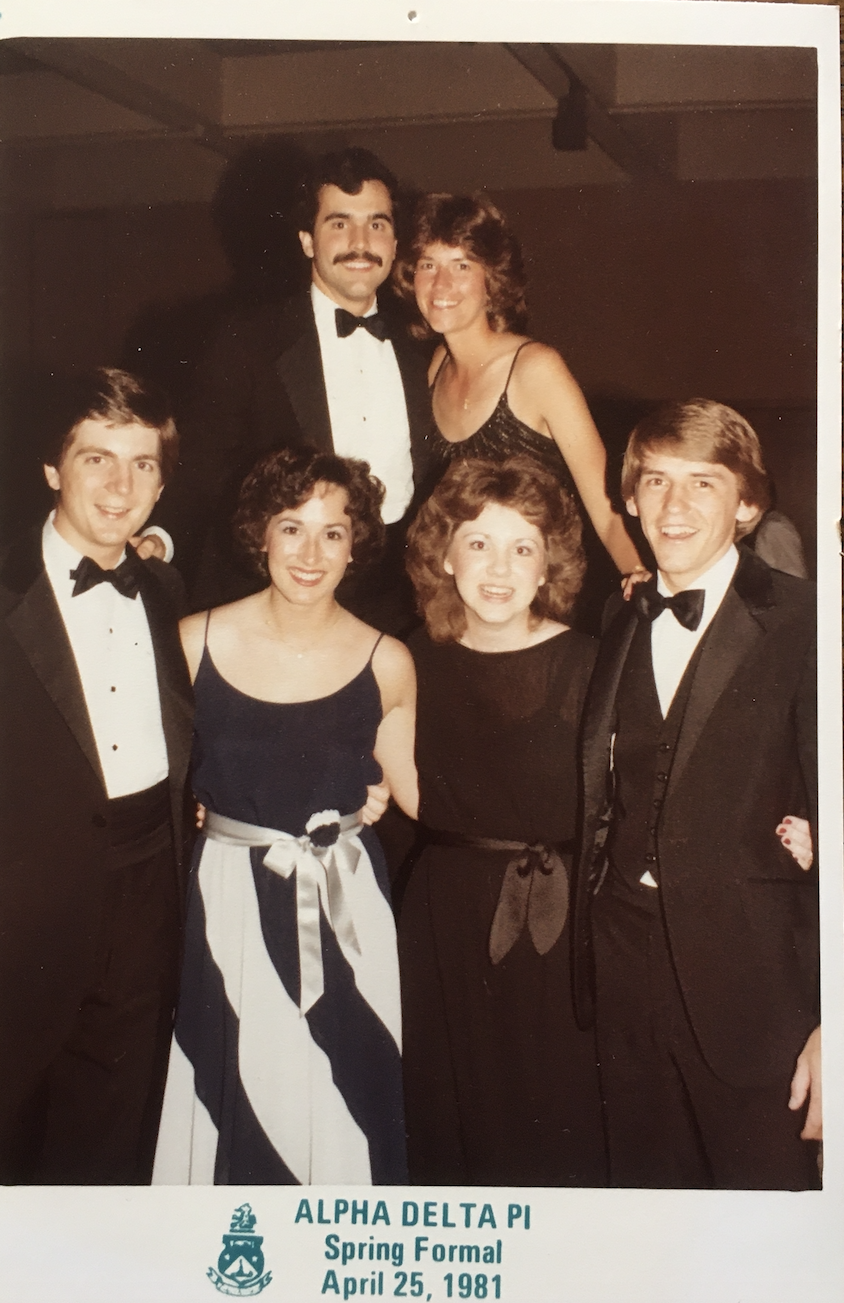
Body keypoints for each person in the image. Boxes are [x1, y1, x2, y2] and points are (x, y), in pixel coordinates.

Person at [151, 446, 418, 1185]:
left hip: (346, 905)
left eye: (333, 533)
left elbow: (421, 794)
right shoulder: (195, 640)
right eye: (291, 528)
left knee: (346, 1103)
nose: (310, 553)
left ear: (355, 545)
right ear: (260, 534)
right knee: (232, 1095)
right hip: (227, 903)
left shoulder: (388, 659)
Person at [573, 398, 820, 1191]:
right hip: (623, 965)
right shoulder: (619, 614)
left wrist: (834, 1022)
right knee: (650, 1219)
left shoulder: (808, 623)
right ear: (630, 498)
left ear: (746, 505)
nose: (674, 505)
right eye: (655, 480)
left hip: (759, 992)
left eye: (703, 483)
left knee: (766, 1219)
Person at [0, 368, 194, 1185]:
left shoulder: (164, 588)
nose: (120, 486)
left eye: (142, 465)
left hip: (146, 895)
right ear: (51, 468)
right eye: (96, 459)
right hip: (18, 920)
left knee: (107, 1149)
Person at [397, 455, 607, 1187]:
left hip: (562, 917)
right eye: (478, 542)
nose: (498, 567)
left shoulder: (594, 663)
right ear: (444, 555)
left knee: (557, 1121)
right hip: (443, 921)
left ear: (548, 566)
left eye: (523, 548)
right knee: (449, 1121)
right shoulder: (406, 658)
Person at [155, 146, 433, 631]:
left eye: (377, 224)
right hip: (275, 601)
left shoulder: (424, 348)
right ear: (307, 240)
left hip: (398, 608)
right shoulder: (248, 340)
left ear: (394, 243)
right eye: (339, 223)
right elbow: (200, 464)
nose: (361, 242)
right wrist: (161, 536)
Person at [393, 192, 646, 587]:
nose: (441, 283)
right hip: (468, 592)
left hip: (538, 591)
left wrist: (640, 580)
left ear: (492, 282)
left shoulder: (536, 369)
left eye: (462, 265)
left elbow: (608, 510)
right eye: (428, 264)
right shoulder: (437, 365)